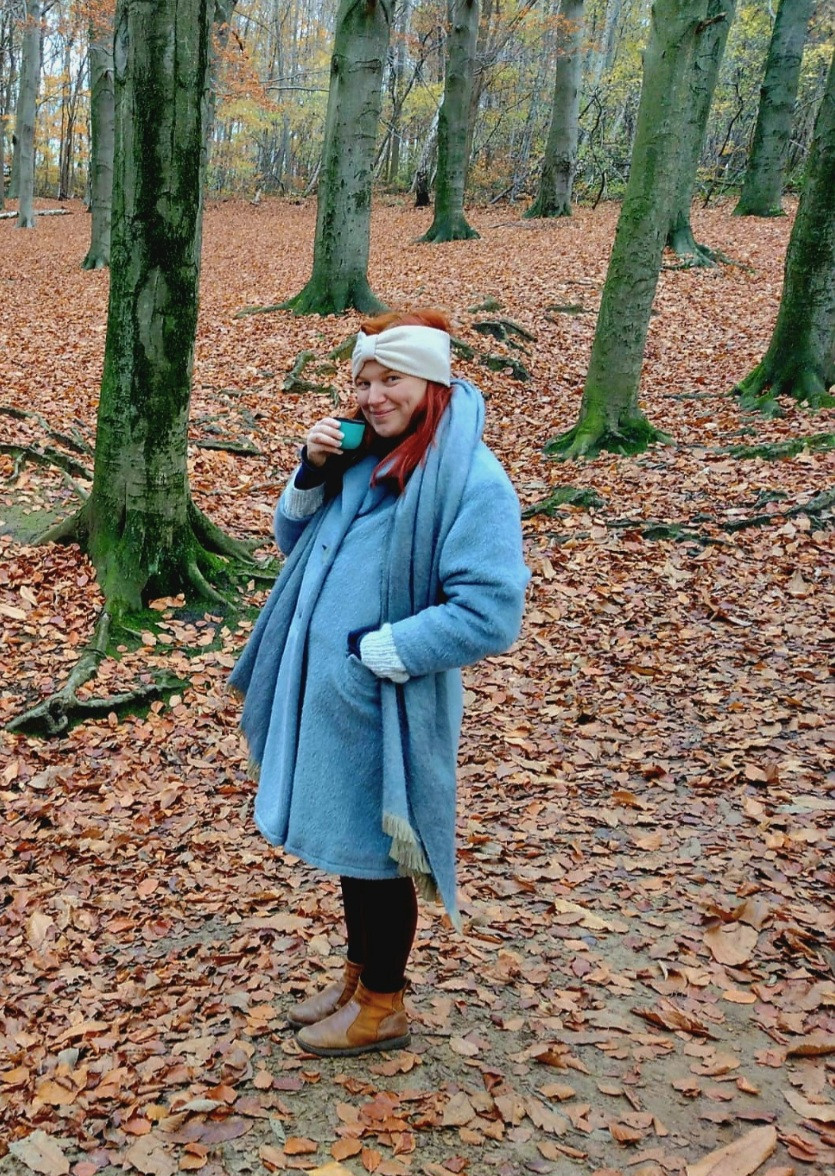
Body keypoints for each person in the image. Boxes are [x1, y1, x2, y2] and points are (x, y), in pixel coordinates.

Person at [229, 309, 529, 1057]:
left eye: (388, 378)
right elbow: (296, 544)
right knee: (349, 851)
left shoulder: (470, 481)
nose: (370, 395)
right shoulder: (367, 456)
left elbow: (490, 613)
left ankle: (384, 1006)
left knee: (378, 858)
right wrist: (310, 472)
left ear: (429, 381)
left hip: (385, 701)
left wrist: (380, 649)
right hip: (330, 696)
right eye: (361, 380)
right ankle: (358, 978)